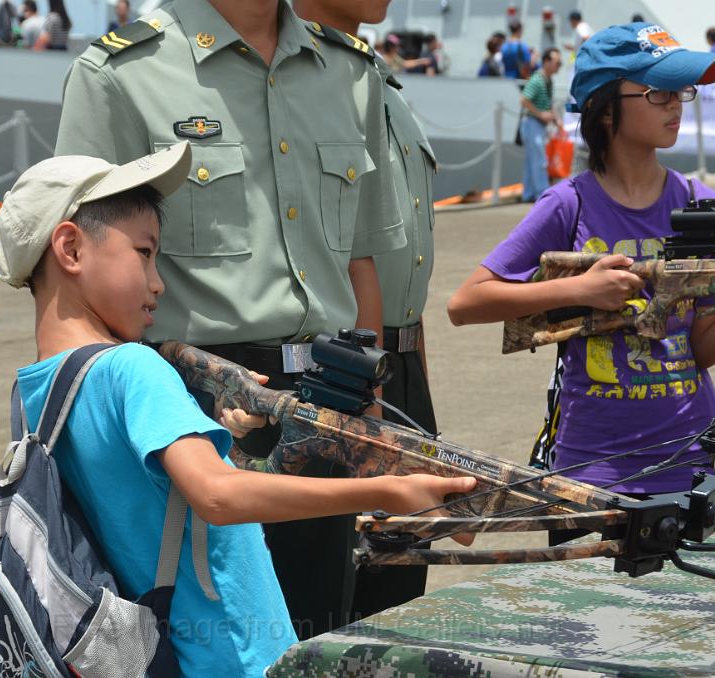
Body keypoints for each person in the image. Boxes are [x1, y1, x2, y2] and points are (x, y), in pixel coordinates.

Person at [0, 143, 477, 676]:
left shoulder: (38, 387)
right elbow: (217, 497)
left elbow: (150, 508)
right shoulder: (133, 368)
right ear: (71, 248)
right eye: (145, 253)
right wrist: (390, 491)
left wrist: (238, 449)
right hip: (229, 654)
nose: (159, 283)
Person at [54, 0, 404, 640]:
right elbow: (73, 272)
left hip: (326, 397)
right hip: (190, 408)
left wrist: (367, 411)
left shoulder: (350, 72)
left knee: (312, 632)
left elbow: (360, 262)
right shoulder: (121, 73)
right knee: (194, 636)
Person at [447, 22, 715, 495]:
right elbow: (465, 303)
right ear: (605, 110)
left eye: (679, 92)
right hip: (589, 470)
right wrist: (578, 289)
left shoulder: (702, 207)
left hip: (690, 463)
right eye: (657, 92)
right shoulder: (569, 203)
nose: (675, 104)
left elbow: (699, 348)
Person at [294, 0, 440, 621]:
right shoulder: (293, 88)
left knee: (396, 598)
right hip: (341, 375)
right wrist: (368, 414)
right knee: (330, 606)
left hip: (394, 366)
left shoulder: (379, 82)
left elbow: (400, 266)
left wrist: (416, 401)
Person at [519, 47, 562, 202]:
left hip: (535, 123)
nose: (559, 66)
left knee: (532, 161)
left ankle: (529, 193)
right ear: (546, 62)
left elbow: (545, 103)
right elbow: (524, 100)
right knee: (539, 160)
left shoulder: (547, 80)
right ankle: (542, 194)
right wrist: (541, 114)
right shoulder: (538, 80)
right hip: (532, 123)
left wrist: (554, 118)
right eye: (557, 63)